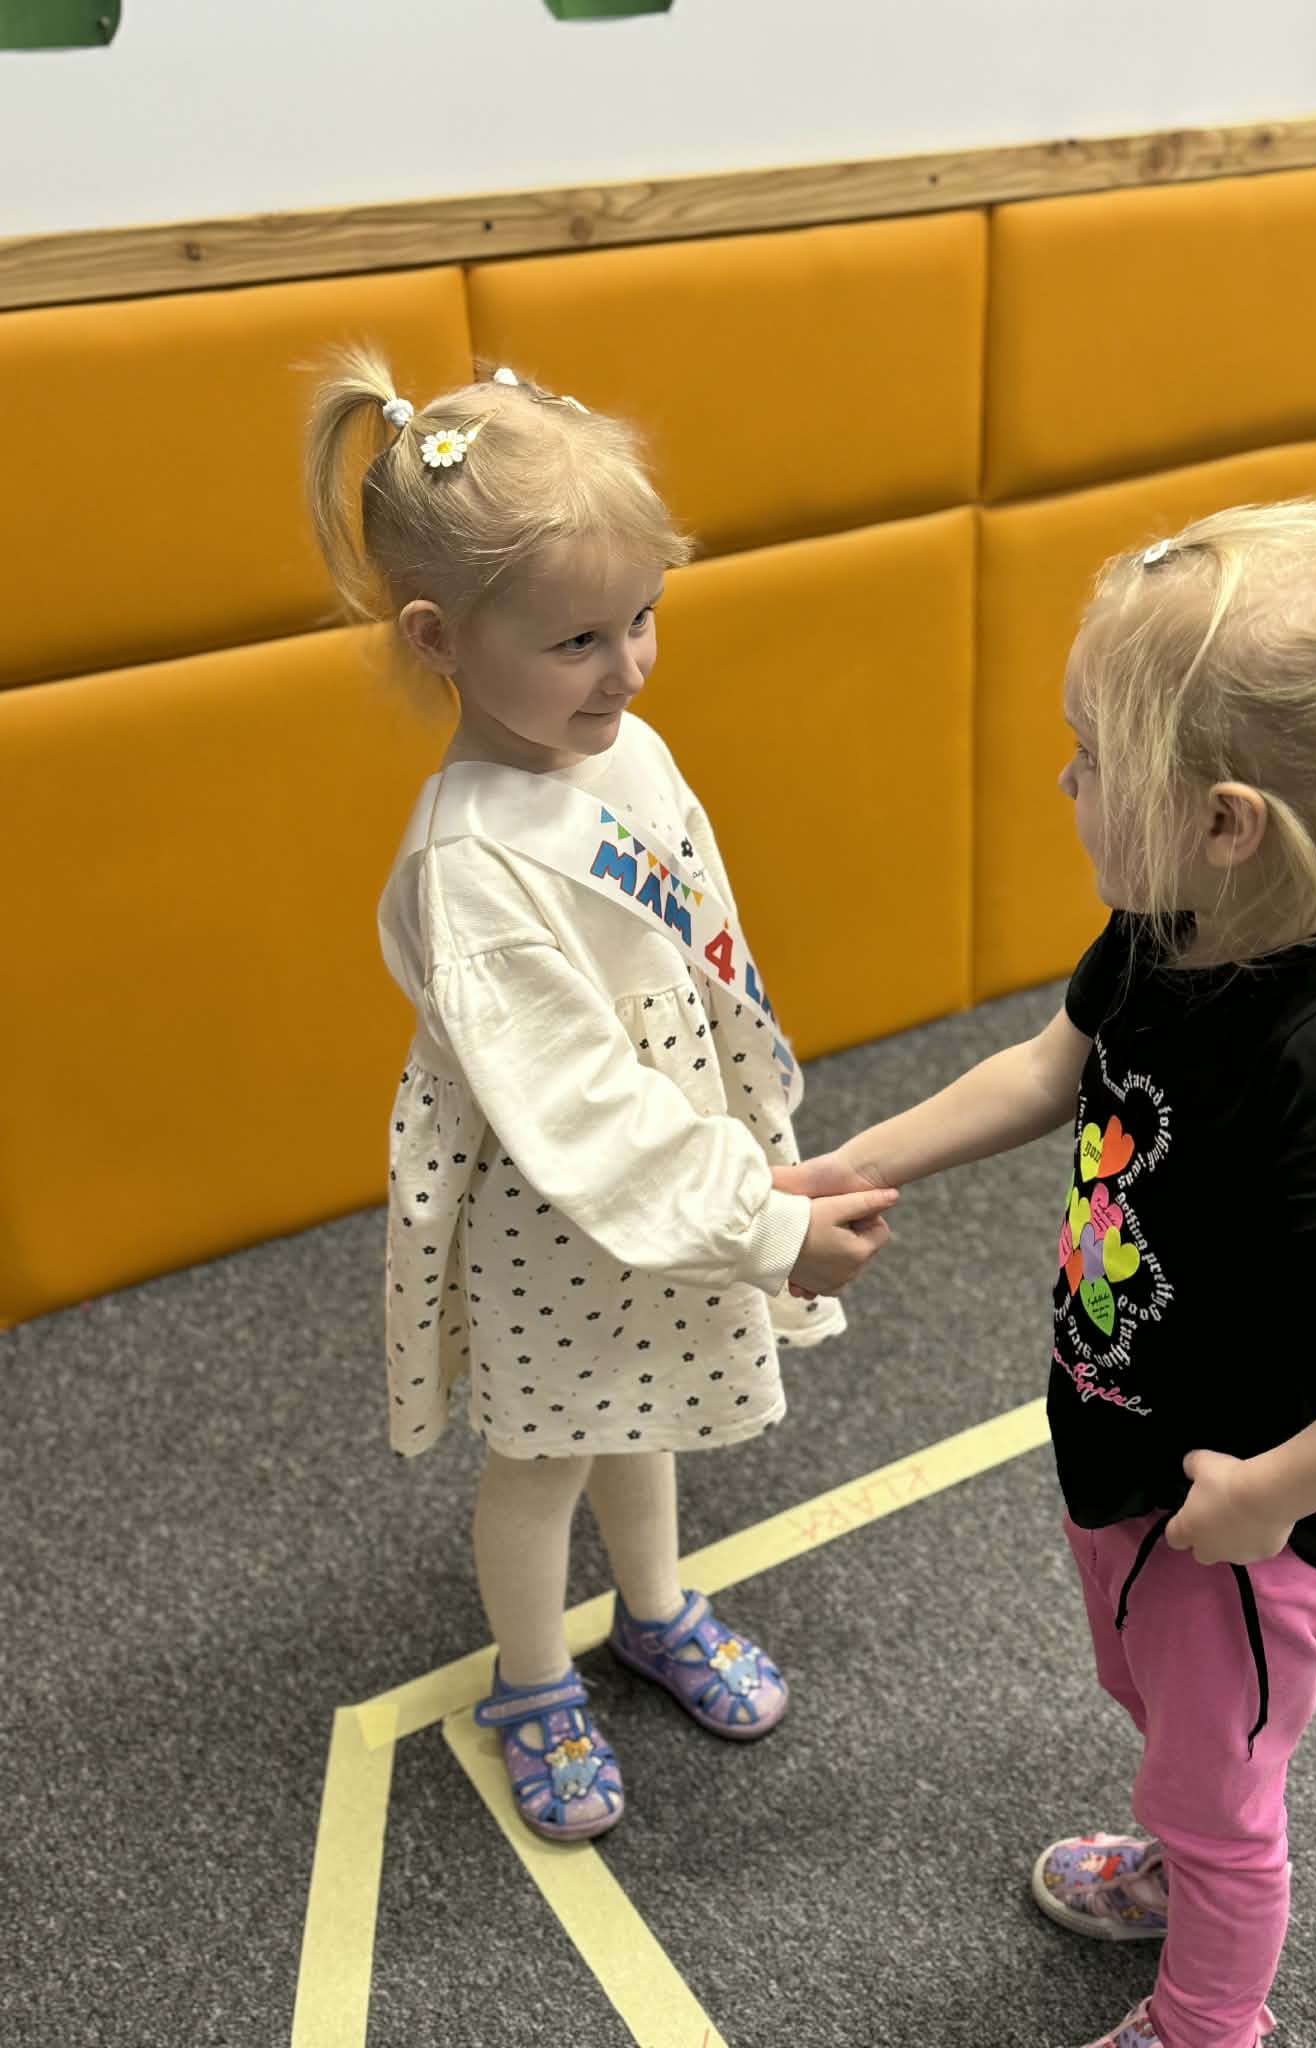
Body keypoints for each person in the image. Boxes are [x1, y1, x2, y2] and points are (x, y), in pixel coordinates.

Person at [775, 500, 1316, 2048]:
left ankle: (1210, 2021)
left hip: (1241, 1515)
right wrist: (859, 1160)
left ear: (1229, 819)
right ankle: (1179, 1853)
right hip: (1123, 1435)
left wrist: (1269, 1497)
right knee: (1154, 1706)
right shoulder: (1171, 926)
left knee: (1225, 1793)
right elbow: (1048, 1070)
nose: (1065, 782)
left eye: (1090, 758)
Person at [305, 353, 897, 1841]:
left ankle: (653, 1607)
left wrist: (752, 1139)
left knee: (648, 1410)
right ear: (439, 639)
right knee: (548, 1447)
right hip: (555, 1198)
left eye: (641, 617)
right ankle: (530, 1683)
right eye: (577, 638)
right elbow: (574, 1108)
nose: (628, 667)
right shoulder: (469, 863)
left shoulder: (628, 749)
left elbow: (706, 952)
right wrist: (760, 1222)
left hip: (678, 1147)